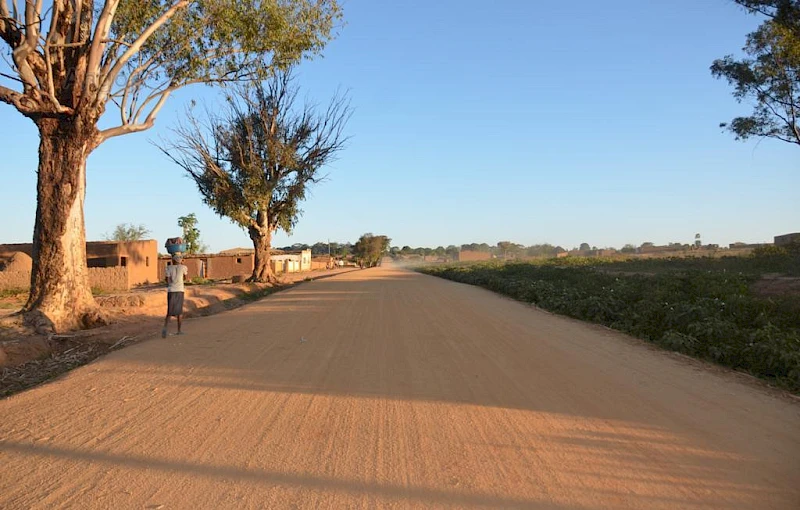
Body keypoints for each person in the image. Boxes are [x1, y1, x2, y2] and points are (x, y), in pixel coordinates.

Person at [163, 254, 188, 338]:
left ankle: (165, 328)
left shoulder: (168, 268)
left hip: (171, 290)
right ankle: (179, 330)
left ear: (173, 260)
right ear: (180, 260)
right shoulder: (184, 267)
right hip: (180, 290)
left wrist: (171, 283)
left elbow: (167, 280)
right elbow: (185, 278)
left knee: (169, 311)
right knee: (179, 311)